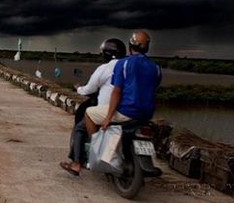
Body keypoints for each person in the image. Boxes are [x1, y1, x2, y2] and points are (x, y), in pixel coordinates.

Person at [59, 38, 126, 176]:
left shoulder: (105, 68)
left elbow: (89, 89)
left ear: (106, 54)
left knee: (80, 128)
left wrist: (78, 89)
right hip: (127, 110)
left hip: (108, 111)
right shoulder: (128, 66)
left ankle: (78, 163)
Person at [84, 30, 162, 137]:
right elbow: (153, 89)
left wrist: (108, 118)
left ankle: (95, 147)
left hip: (127, 112)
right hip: (146, 115)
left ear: (130, 45)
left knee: (89, 113)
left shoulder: (123, 63)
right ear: (147, 47)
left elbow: (116, 92)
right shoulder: (156, 68)